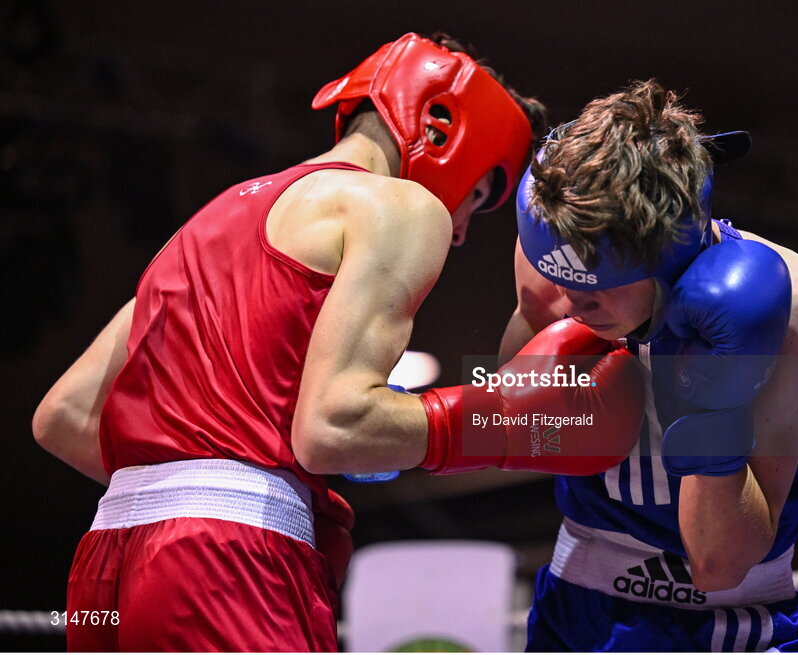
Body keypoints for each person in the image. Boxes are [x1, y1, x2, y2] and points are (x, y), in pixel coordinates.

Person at [33, 32, 645, 652]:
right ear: (442, 130)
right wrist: (510, 424)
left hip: (105, 566)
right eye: (481, 194)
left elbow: (64, 417)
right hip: (227, 565)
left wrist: (227, 483)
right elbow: (334, 426)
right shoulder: (399, 205)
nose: (461, 229)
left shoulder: (209, 220)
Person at [505, 80, 798, 651]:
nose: (574, 303)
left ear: (671, 250)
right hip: (578, 611)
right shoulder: (556, 249)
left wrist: (710, 397)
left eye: (600, 286)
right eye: (562, 277)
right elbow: (521, 428)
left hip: (739, 620)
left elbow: (719, 563)